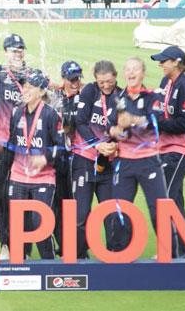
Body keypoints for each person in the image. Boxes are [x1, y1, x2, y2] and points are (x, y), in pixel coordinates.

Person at [108, 57, 167, 252]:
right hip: (124, 161)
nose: (131, 73)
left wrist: (133, 120)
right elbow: (111, 127)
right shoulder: (117, 98)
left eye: (135, 69)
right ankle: (121, 256)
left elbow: (156, 122)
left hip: (148, 161)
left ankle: (169, 255)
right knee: (120, 210)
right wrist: (116, 131)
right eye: (128, 69)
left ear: (143, 73)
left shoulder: (153, 97)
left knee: (158, 210)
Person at [7, 69, 64, 259]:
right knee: (17, 224)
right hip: (18, 175)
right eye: (24, 86)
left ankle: (49, 262)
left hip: (43, 178)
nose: (25, 90)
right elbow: (14, 142)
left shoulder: (50, 115)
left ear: (41, 91)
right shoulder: (16, 113)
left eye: (30, 87)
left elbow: (63, 147)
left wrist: (45, 158)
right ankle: (19, 262)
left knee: (40, 222)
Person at [151, 45, 185, 258]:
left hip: (181, 148)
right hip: (164, 147)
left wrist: (159, 123)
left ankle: (169, 251)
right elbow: (157, 108)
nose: (160, 64)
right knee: (175, 198)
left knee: (165, 198)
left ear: (177, 62)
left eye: (164, 61)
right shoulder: (165, 82)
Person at [71, 60, 121, 259]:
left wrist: (115, 145)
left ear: (116, 77)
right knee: (81, 214)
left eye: (109, 81)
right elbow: (80, 122)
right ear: (95, 80)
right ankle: (80, 255)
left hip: (107, 162)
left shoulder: (122, 97)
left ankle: (114, 254)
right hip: (84, 159)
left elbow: (125, 129)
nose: (106, 86)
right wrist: (96, 144)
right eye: (102, 82)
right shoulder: (90, 92)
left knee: (110, 211)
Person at [0, 34, 31, 260]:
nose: (18, 53)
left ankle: (23, 244)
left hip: (26, 146)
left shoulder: (31, 76)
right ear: (5, 52)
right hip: (0, 144)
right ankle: (5, 243)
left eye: (20, 49)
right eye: (13, 50)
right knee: (2, 195)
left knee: (25, 195)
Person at [51, 60, 83, 257]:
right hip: (58, 158)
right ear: (63, 79)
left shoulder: (87, 96)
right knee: (58, 203)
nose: (75, 83)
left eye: (77, 78)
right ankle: (63, 245)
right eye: (71, 79)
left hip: (79, 157)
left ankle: (79, 248)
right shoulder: (54, 97)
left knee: (77, 204)